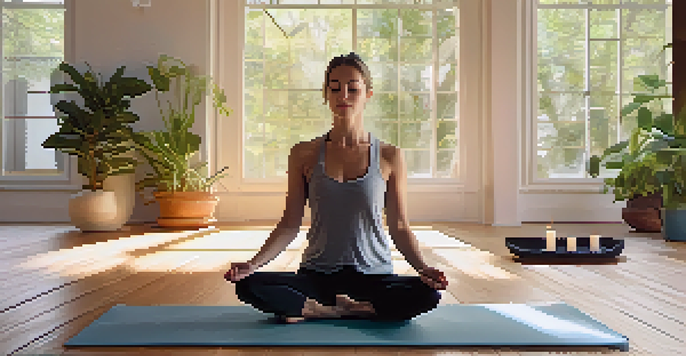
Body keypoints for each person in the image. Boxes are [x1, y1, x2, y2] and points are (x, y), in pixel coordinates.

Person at [225, 52, 448, 323]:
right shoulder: (303, 154)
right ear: (326, 95)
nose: (343, 94)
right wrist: (253, 264)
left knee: (428, 294)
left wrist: (423, 268)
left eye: (353, 88)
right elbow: (289, 224)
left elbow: (399, 225)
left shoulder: (390, 156)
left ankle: (319, 310)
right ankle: (356, 310)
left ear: (368, 94)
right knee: (248, 285)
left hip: (373, 277)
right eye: (334, 87)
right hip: (317, 277)